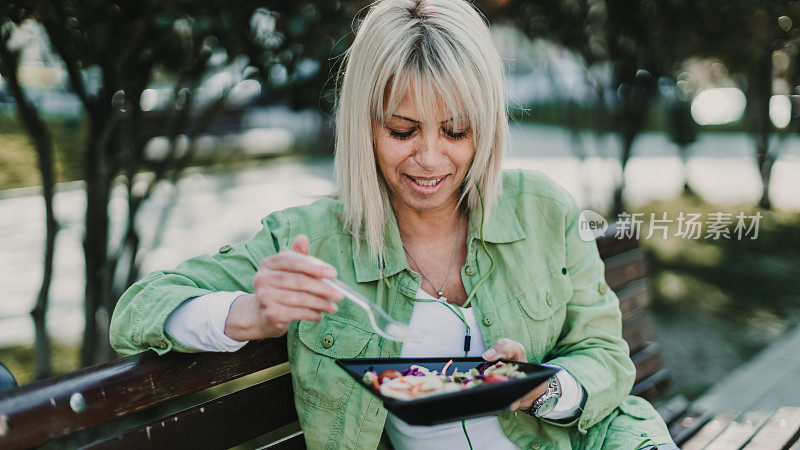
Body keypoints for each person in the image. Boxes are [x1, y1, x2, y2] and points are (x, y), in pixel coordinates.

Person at [110, 0, 677, 448]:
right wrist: (250, 315)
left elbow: (604, 354)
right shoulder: (314, 239)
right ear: (364, 127)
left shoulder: (541, 208)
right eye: (403, 131)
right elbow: (139, 309)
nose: (430, 160)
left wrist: (540, 388)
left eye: (456, 132)